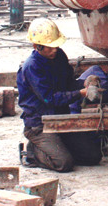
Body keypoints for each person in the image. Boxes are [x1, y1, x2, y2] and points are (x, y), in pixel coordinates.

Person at [17, 18, 103, 172]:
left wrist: (84, 83)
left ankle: (57, 146)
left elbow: (68, 83)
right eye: (49, 48)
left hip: (61, 118)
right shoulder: (32, 67)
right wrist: (81, 93)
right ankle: (33, 152)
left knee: (93, 156)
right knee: (64, 164)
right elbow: (49, 99)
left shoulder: (59, 56)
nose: (54, 50)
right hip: (40, 124)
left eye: (56, 46)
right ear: (37, 46)